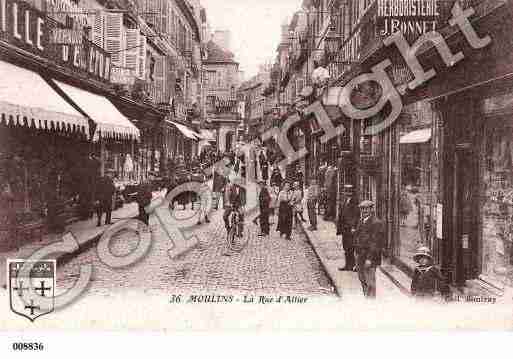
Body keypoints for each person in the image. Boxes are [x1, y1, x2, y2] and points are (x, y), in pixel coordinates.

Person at [355, 200, 385, 298]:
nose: (364, 211)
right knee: (362, 280)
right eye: (362, 209)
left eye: (366, 209)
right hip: (360, 256)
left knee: (370, 283)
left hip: (369, 258)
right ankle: (367, 299)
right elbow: (357, 236)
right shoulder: (361, 221)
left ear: (371, 209)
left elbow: (375, 243)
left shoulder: (376, 223)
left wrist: (369, 259)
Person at [336, 185, 360, 271]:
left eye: (349, 191)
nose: (347, 193)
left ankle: (354, 265)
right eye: (346, 191)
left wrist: (353, 227)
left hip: (351, 228)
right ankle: (347, 265)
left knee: (352, 247)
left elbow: (356, 215)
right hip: (344, 228)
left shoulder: (355, 201)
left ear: (352, 192)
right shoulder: (345, 200)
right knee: (346, 247)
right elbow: (342, 213)